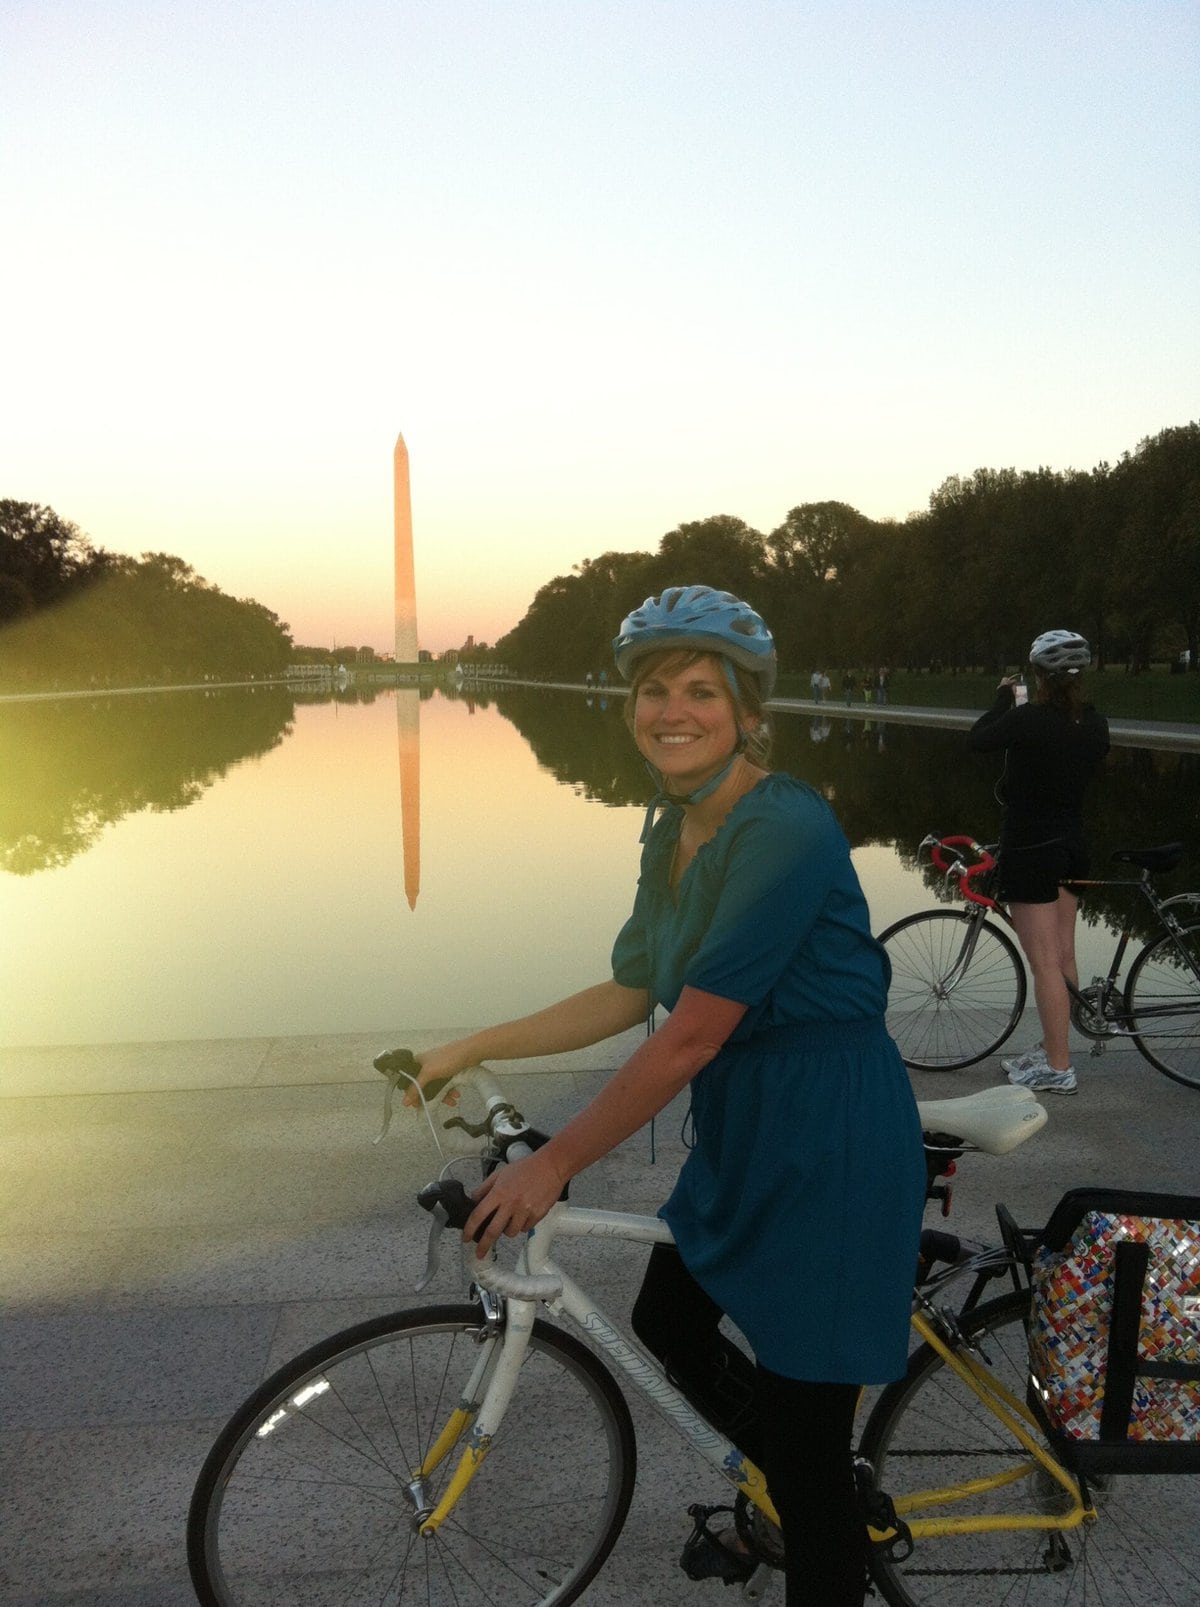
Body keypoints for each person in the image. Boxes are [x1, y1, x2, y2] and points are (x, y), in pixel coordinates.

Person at [408, 585, 926, 1606]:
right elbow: (637, 987)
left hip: (829, 1142)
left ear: (746, 712)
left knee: (810, 1452)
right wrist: (468, 1044)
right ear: (630, 703)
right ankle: (796, 1471)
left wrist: (557, 1162)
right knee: (671, 1318)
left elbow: (690, 1033)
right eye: (654, 689)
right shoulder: (672, 827)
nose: (673, 709)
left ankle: (814, 1490)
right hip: (748, 1132)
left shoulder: (784, 827)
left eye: (702, 690)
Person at [966, 630, 1110, 1095]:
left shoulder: (1027, 719)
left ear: (1038, 675)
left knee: (1044, 961)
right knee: (1063, 954)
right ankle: (1054, 1047)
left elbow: (980, 740)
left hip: (1031, 848)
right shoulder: (1094, 723)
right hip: (1072, 845)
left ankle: (1059, 1067)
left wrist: (1002, 701)